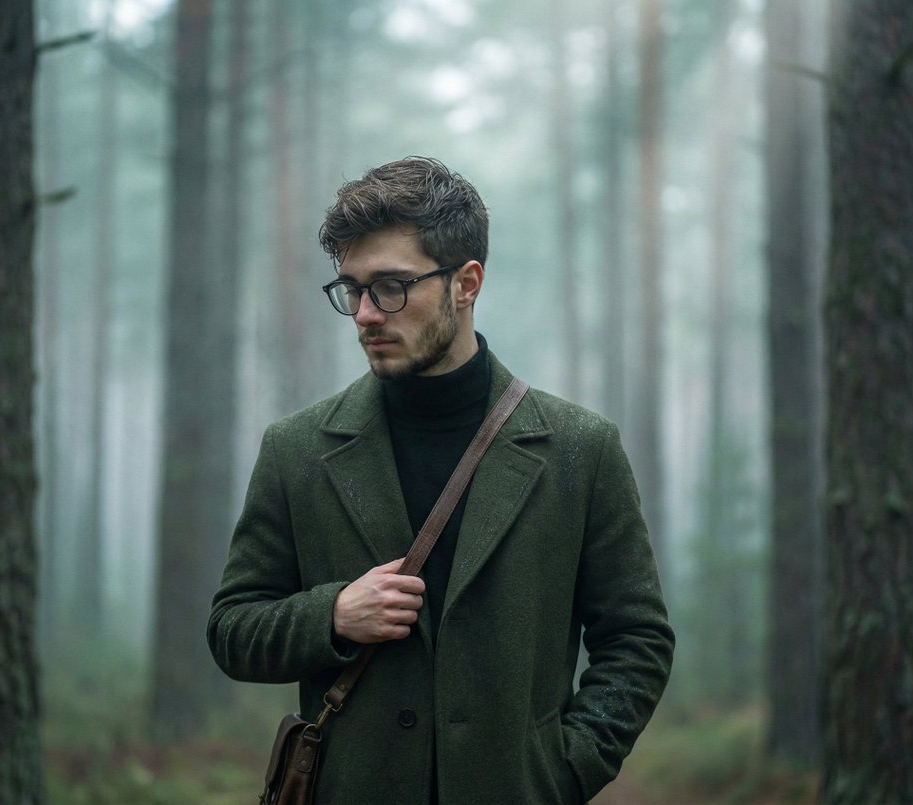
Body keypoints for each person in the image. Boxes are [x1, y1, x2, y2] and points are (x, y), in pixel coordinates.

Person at [208, 156, 674, 804]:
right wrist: (334, 615)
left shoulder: (580, 449)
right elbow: (233, 630)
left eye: (391, 287)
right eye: (352, 289)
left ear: (466, 283)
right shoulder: (298, 450)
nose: (366, 314)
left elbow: (636, 638)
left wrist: (563, 772)